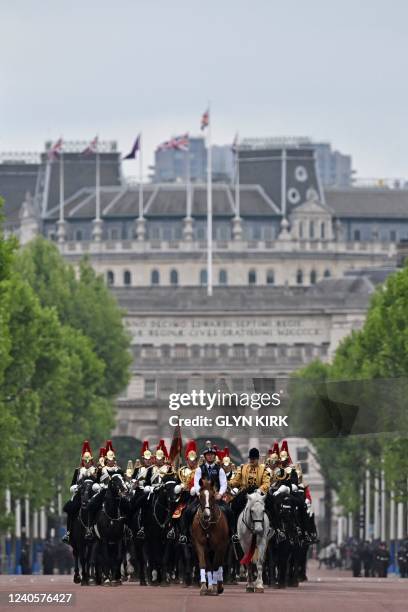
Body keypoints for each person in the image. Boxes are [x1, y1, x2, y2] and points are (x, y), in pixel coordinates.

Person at [192, 443, 234, 538]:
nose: (210, 456)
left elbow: (224, 484)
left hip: (216, 498)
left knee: (229, 511)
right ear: (205, 456)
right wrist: (200, 494)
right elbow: (196, 483)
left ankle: (233, 534)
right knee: (188, 511)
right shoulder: (199, 469)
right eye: (208, 455)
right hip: (203, 498)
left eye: (212, 455)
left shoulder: (220, 470)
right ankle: (184, 534)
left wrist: (220, 494)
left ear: (214, 456)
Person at [228, 447, 270, 542]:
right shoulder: (243, 468)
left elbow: (266, 483)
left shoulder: (264, 469)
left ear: (257, 459)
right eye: (250, 458)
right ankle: (234, 531)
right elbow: (236, 480)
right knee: (233, 505)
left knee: (272, 503)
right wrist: (230, 483)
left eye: (253, 459)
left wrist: (260, 490)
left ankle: (275, 528)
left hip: (258, 492)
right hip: (245, 492)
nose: (251, 460)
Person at [62, 440, 97, 544]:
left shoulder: (96, 471)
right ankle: (68, 533)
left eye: (88, 461)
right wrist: (76, 487)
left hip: (93, 494)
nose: (87, 463)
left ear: (91, 461)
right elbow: (72, 484)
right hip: (80, 494)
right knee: (71, 509)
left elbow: (99, 483)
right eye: (85, 461)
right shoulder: (78, 471)